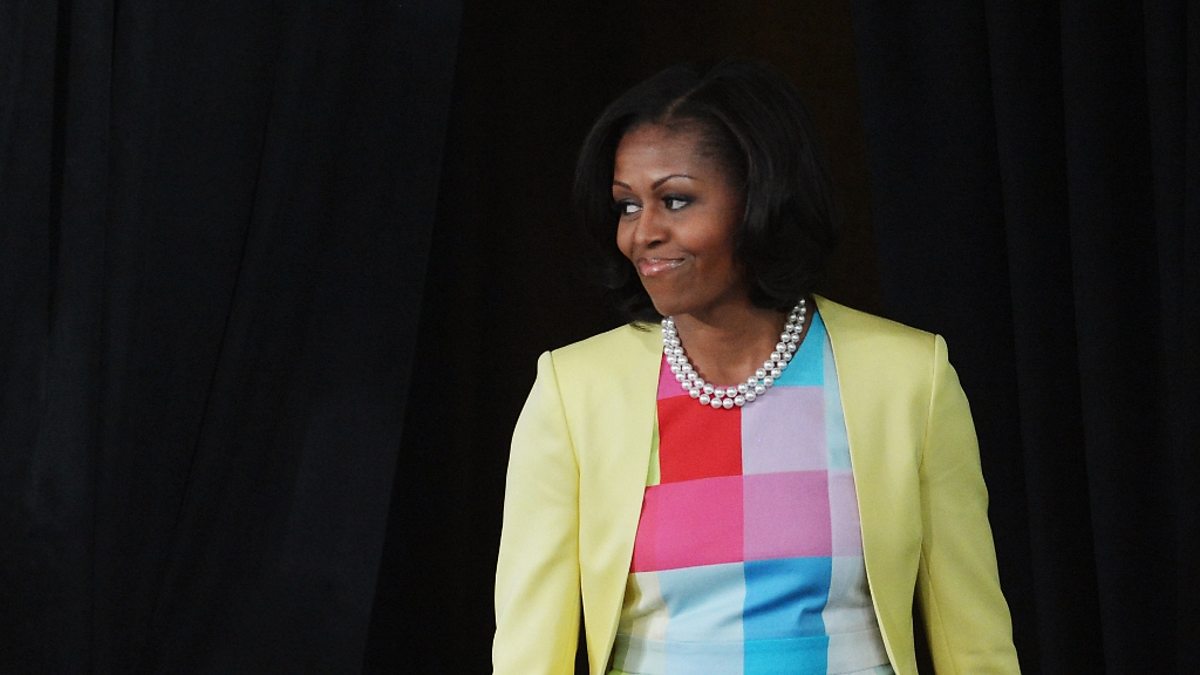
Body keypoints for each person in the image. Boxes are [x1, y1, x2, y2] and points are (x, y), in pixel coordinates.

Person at [493, 60, 1019, 675]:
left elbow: (973, 643)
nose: (642, 234)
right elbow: (529, 653)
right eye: (627, 206)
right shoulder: (574, 390)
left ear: (763, 198)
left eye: (676, 200)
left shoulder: (907, 378)